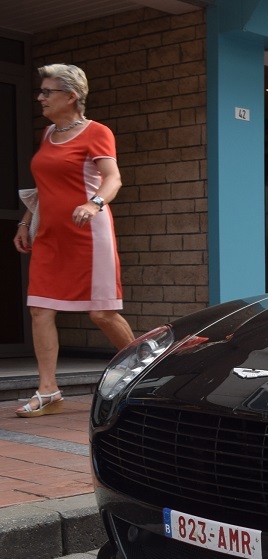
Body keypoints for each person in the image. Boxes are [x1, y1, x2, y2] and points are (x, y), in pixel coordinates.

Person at [12, 63, 135, 418]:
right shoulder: (48, 135)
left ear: (71, 95)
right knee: (40, 310)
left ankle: (147, 371)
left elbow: (113, 179)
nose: (40, 98)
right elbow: (44, 189)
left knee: (102, 313)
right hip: (49, 237)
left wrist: (94, 202)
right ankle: (48, 390)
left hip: (88, 235)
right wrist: (25, 221)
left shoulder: (97, 132)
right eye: (41, 91)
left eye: (47, 92)